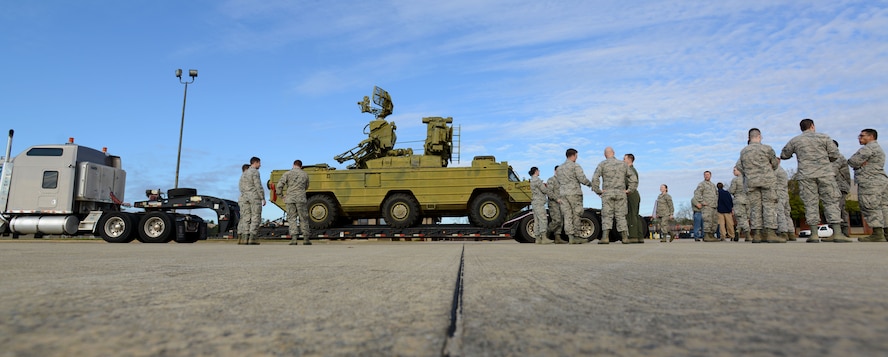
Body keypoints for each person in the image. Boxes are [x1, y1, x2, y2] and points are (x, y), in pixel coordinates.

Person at [780, 119, 852, 243]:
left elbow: (784, 155)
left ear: (801, 128)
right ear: (812, 126)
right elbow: (835, 154)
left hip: (806, 175)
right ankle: (837, 233)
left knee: (810, 203)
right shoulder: (824, 137)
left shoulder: (796, 140)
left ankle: (813, 234)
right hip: (825, 174)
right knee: (831, 201)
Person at [737, 128, 780, 243]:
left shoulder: (744, 151)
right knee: (769, 205)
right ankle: (770, 233)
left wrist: (749, 173)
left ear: (749, 138)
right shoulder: (767, 148)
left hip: (751, 182)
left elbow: (739, 166)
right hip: (767, 180)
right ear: (759, 136)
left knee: (755, 208)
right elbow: (775, 164)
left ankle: (757, 234)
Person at [848, 129, 888, 242]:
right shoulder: (878, 148)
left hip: (870, 181)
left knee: (870, 206)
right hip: (881, 180)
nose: (859, 138)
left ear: (871, 136)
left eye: (862, 135)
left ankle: (877, 233)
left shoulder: (869, 148)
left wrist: (858, 164)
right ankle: (886, 233)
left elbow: (852, 161)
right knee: (883, 207)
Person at [590, 147, 636, 244]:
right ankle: (624, 237)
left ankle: (605, 237)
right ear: (614, 153)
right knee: (621, 215)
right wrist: (629, 190)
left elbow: (595, 178)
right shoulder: (623, 164)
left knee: (607, 215)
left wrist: (598, 191)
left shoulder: (602, 164)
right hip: (621, 193)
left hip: (607, 193)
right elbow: (633, 177)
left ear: (605, 154)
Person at [558, 148, 594, 244]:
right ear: (573, 155)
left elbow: (558, 182)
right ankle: (577, 236)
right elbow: (582, 179)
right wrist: (591, 184)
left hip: (563, 194)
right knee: (576, 214)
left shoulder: (560, 168)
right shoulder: (575, 166)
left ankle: (570, 237)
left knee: (567, 215)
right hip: (574, 194)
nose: (577, 158)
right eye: (576, 156)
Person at [276, 160, 312, 245]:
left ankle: (294, 239)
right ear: (301, 166)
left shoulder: (287, 173)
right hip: (301, 198)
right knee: (303, 218)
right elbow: (306, 186)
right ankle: (306, 238)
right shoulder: (305, 174)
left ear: (293, 165)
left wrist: (281, 196)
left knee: (292, 218)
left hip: (290, 198)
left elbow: (279, 185)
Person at [239, 157, 266, 245]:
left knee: (246, 217)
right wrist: (262, 197)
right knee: (255, 216)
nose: (260, 165)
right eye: (259, 163)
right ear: (256, 162)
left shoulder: (244, 173)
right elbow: (258, 185)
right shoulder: (255, 172)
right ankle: (252, 238)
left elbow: (240, 186)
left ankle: (244, 238)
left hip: (244, 197)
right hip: (254, 196)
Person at [529, 166, 554, 244]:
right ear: (536, 171)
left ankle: (537, 238)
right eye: (538, 170)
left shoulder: (532, 180)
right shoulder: (537, 180)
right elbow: (544, 190)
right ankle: (544, 238)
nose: (539, 172)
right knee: (543, 219)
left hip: (535, 202)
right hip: (539, 202)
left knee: (536, 221)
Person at [833, 140, 852, 237]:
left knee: (837, 208)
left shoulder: (837, 157)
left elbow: (832, 172)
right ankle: (841, 231)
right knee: (839, 208)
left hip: (839, 187)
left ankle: (841, 231)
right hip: (837, 187)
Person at [624, 154, 644, 243]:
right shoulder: (631, 170)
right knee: (635, 215)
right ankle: (640, 236)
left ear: (629, 159)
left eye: (624, 158)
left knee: (632, 215)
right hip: (633, 193)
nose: (623, 160)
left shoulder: (630, 170)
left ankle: (633, 236)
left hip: (631, 193)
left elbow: (629, 182)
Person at [693, 171, 718, 242]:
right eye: (705, 175)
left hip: (713, 206)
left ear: (710, 175)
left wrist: (716, 202)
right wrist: (702, 201)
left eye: (708, 175)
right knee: (707, 220)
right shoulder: (702, 184)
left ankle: (711, 235)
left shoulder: (713, 185)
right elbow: (697, 194)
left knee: (714, 221)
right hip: (707, 206)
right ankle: (706, 235)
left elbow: (716, 194)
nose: (707, 176)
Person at [774, 163, 796, 241]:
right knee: (787, 214)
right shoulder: (782, 171)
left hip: (778, 193)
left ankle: (783, 232)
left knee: (780, 212)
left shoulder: (776, 171)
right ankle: (791, 232)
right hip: (785, 194)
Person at [546, 166, 566, 243]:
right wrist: (556, 199)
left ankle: (558, 238)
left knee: (561, 221)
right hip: (553, 203)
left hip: (561, 203)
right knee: (556, 220)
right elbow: (549, 192)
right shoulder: (551, 180)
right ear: (555, 171)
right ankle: (546, 234)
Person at [729, 167, 750, 241]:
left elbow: (731, 190)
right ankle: (738, 230)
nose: (733, 172)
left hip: (738, 200)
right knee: (745, 217)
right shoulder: (747, 179)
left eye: (734, 170)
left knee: (741, 217)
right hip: (747, 200)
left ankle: (747, 234)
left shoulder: (735, 180)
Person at [236, 164, 250, 242]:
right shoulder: (246, 177)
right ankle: (244, 237)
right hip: (246, 199)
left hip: (242, 199)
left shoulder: (242, 177)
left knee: (242, 218)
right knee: (246, 218)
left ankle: (240, 236)